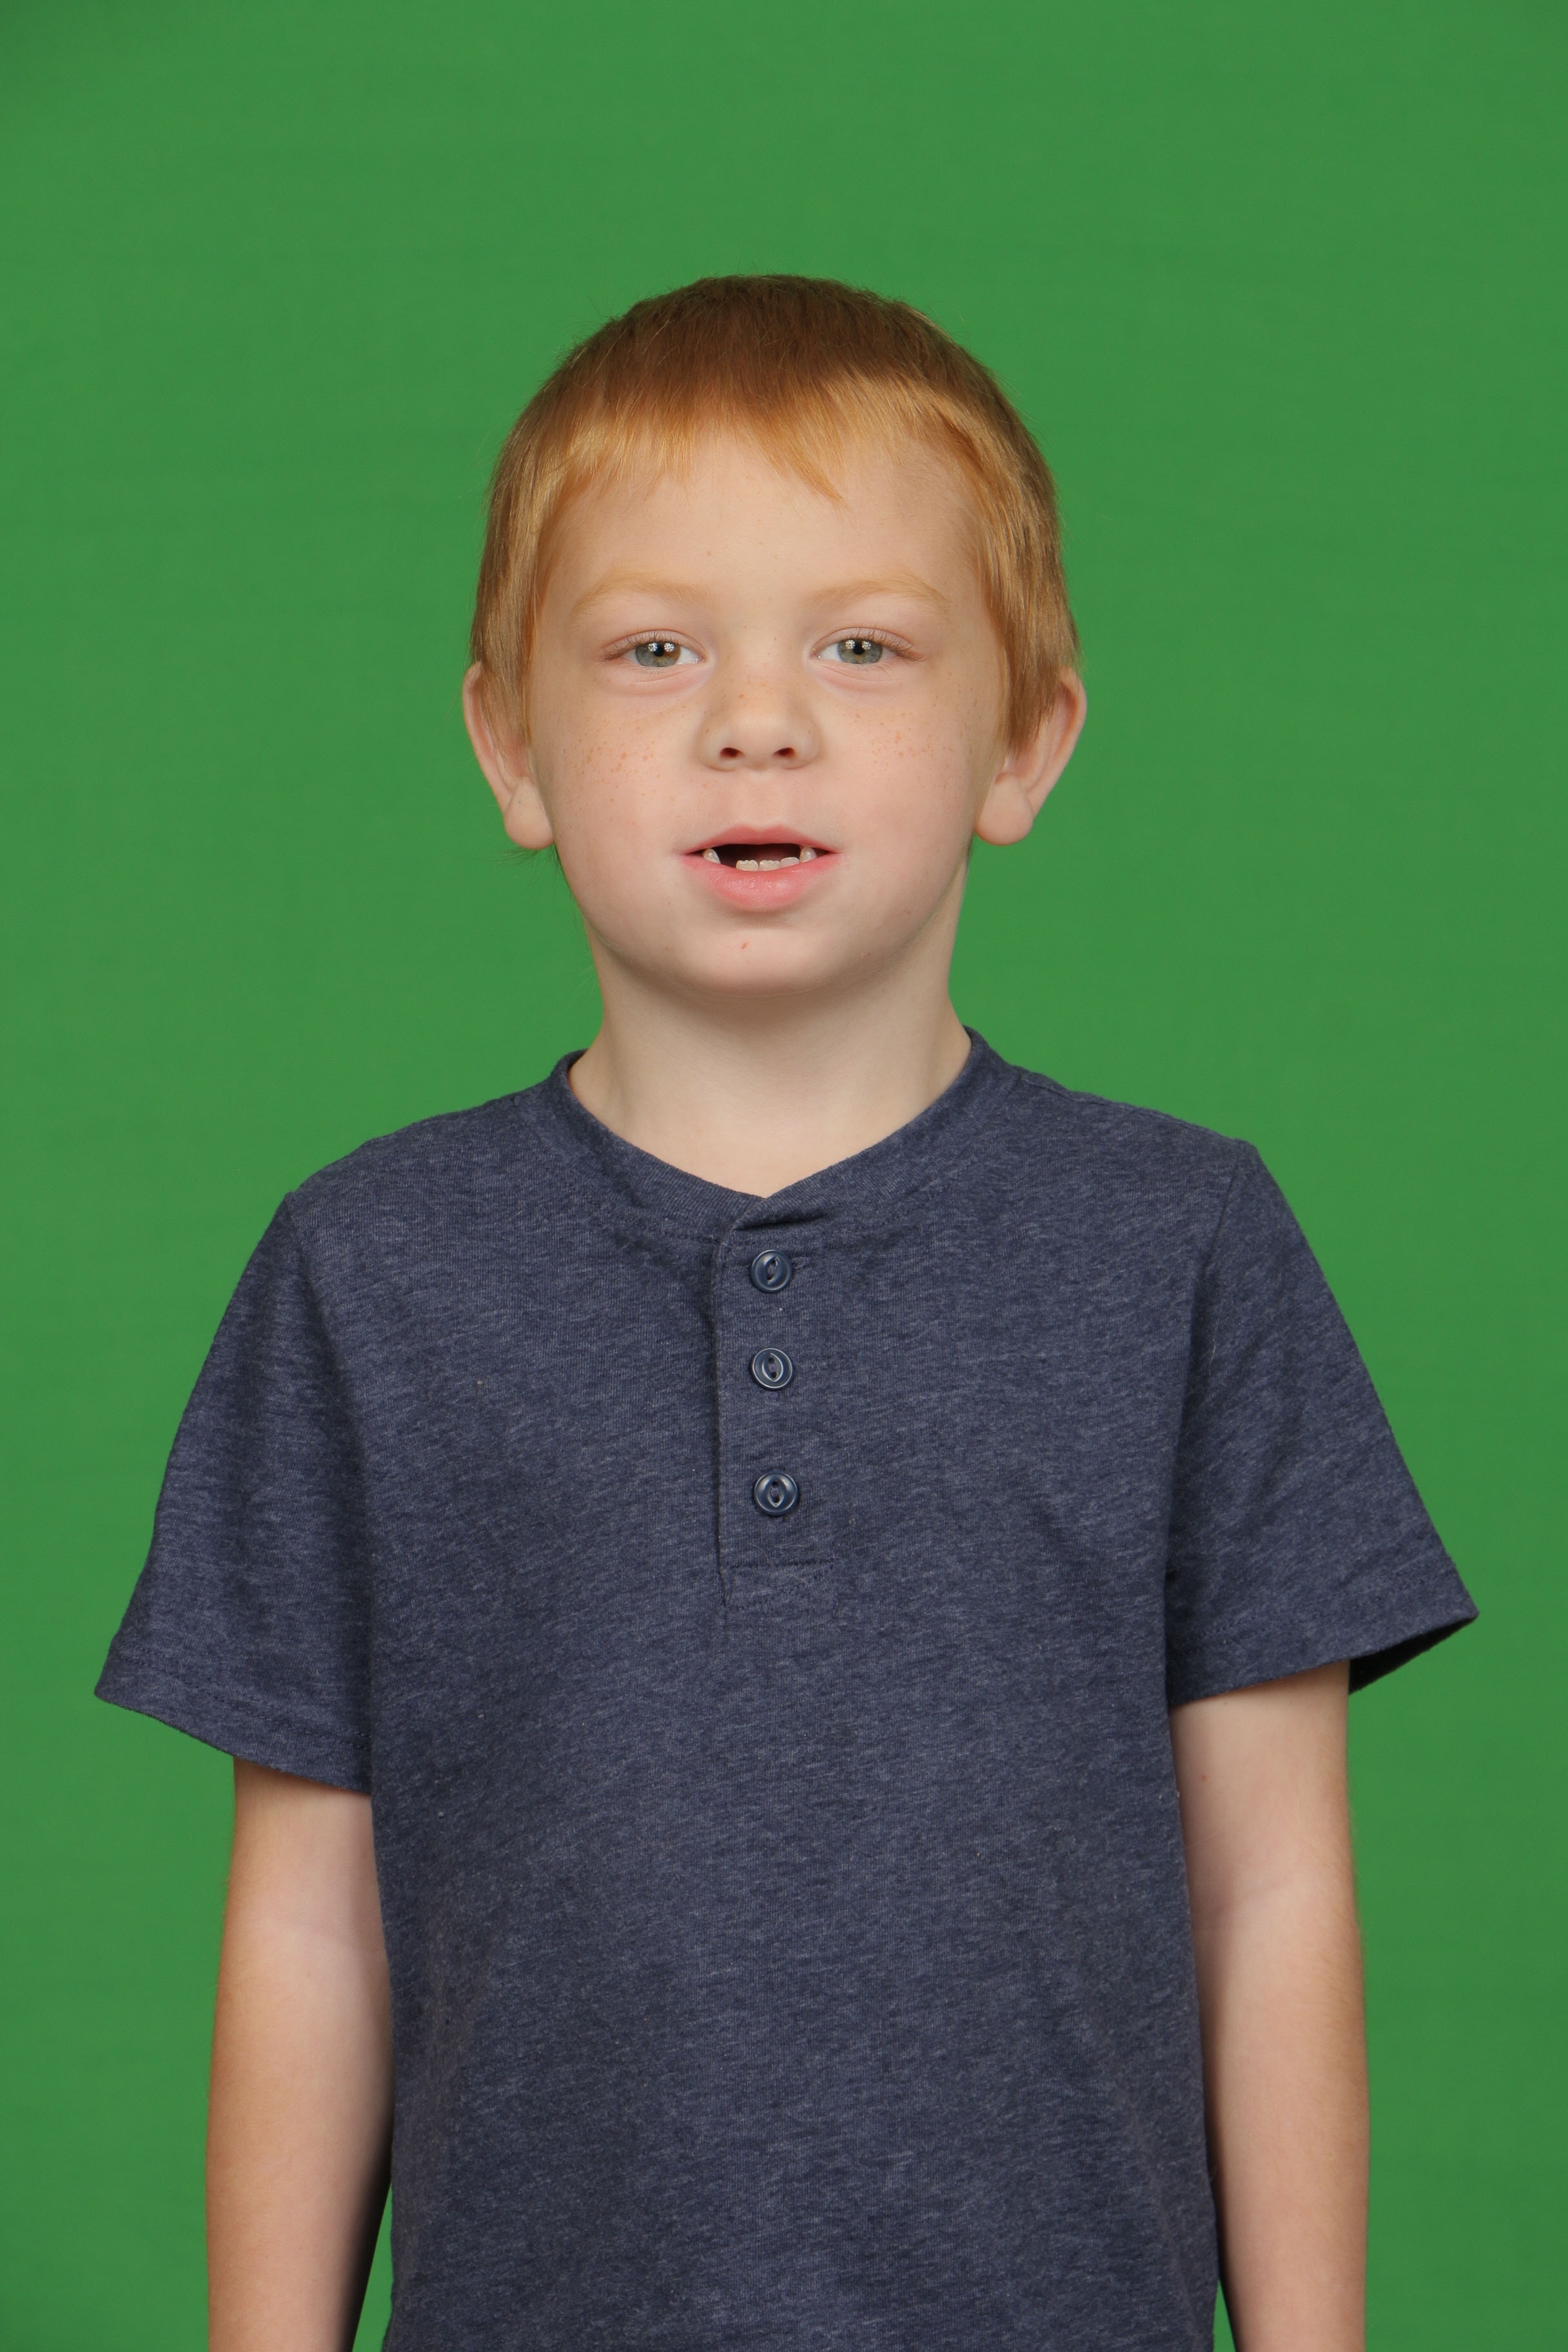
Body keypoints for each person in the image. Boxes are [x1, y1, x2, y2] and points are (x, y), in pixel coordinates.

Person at [97, 275, 1475, 2352]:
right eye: (655, 648)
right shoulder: (366, 1274)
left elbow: (1269, 1891)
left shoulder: (1185, 1246)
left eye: (864, 645)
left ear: (1027, 743)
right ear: (510, 746)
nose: (759, 718)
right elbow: (311, 1930)